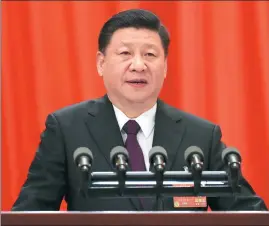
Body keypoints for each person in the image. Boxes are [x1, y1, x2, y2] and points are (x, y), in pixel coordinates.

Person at [12, 8, 267, 211]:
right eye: (125, 53)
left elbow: (247, 212)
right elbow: (31, 213)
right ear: (101, 63)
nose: (138, 65)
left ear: (165, 67)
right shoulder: (67, 129)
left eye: (150, 55)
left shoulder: (201, 137)